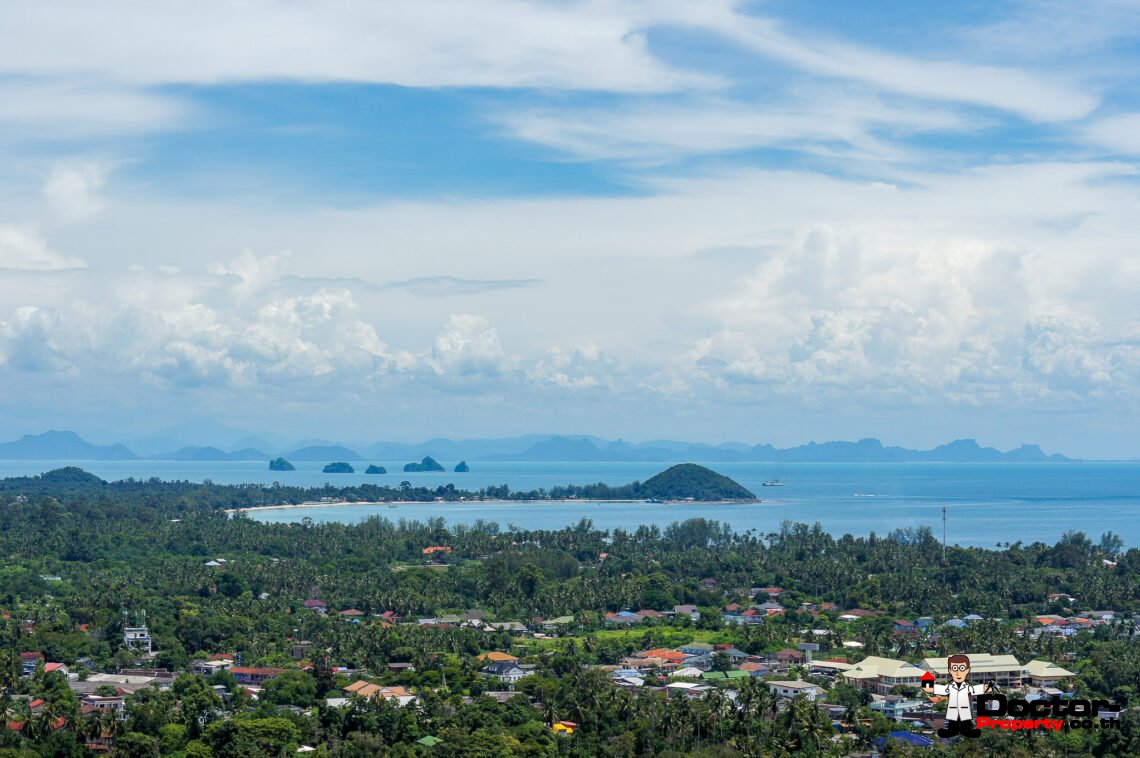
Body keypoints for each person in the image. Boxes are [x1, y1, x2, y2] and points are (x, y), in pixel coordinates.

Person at [922, 654, 993, 738]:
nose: (958, 673)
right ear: (950, 671)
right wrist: (927, 678)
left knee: (965, 724)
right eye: (955, 669)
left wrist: (990, 686)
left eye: (962, 669)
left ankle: (967, 732)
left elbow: (979, 689)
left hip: (964, 710)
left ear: (967, 671)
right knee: (953, 724)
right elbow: (931, 689)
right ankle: (951, 731)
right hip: (953, 710)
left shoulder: (967, 687)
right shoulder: (949, 687)